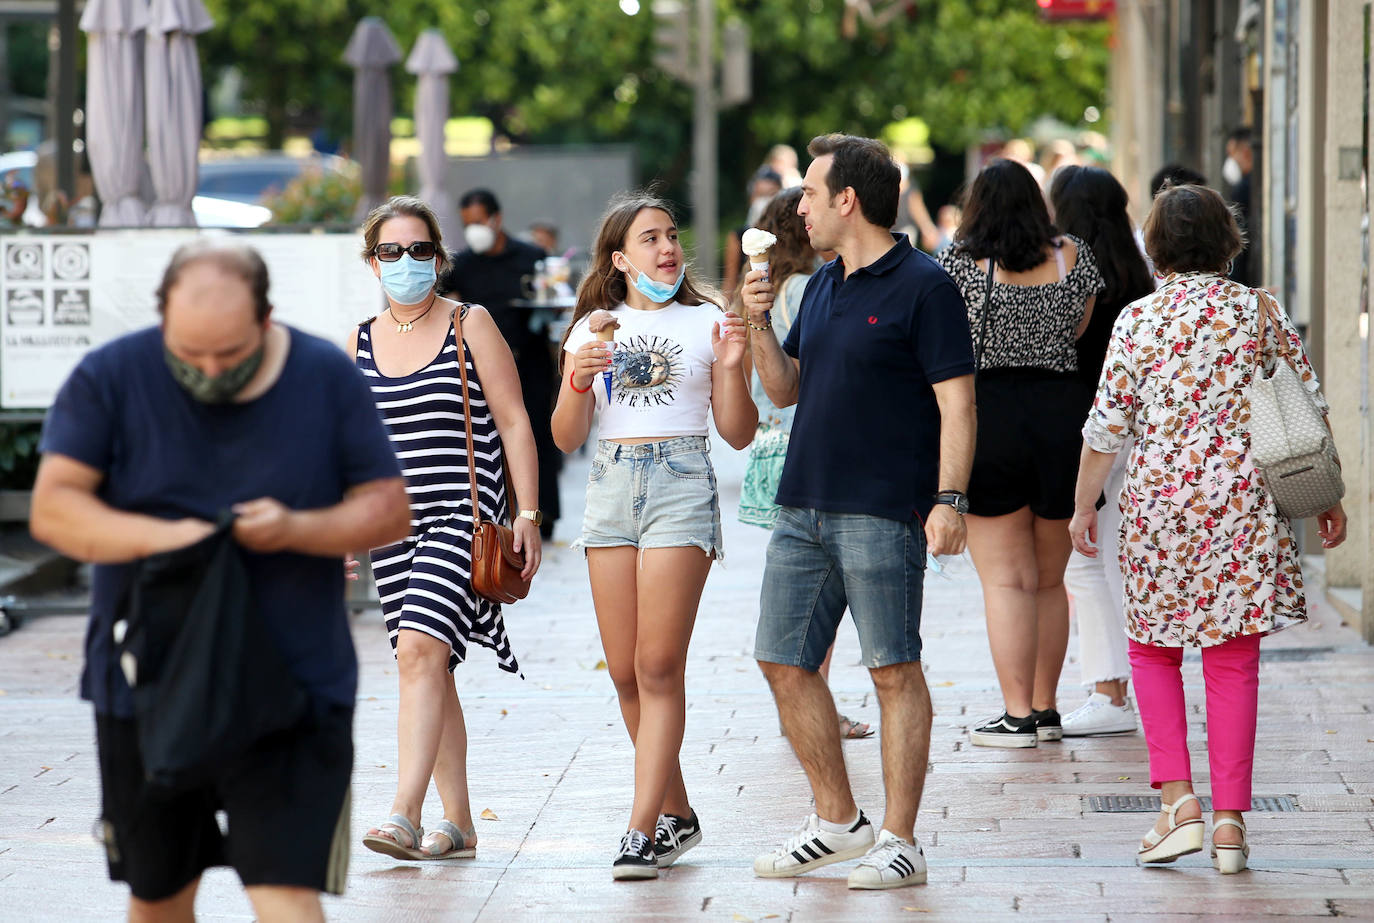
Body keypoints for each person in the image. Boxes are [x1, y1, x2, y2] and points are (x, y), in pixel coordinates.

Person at [28, 241, 412, 921]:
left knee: (286, 891)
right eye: (189, 356)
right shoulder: (109, 376)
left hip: (296, 688)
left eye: (228, 356)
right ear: (162, 318)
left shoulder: (324, 376)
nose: (207, 372)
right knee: (159, 893)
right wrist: (171, 538)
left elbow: (387, 507)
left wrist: (295, 528)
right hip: (146, 683)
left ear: (265, 320)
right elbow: (56, 507)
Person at [1069, 183, 1346, 871]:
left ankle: (1177, 803)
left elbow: (1107, 427)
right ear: (1229, 241)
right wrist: (1328, 494)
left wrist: (1082, 505)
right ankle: (1228, 825)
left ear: (1156, 245)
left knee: (1152, 648)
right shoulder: (1260, 312)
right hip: (1245, 505)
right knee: (1233, 660)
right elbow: (1308, 404)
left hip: (1160, 507)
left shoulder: (1138, 320)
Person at [744, 134, 976, 890]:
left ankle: (902, 838)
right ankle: (839, 820)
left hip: (883, 509)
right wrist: (753, 323)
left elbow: (958, 403)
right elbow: (785, 389)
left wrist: (948, 499)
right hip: (802, 505)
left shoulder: (925, 285)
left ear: (848, 200)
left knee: (892, 669)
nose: (799, 206)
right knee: (782, 658)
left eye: (810, 193)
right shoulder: (820, 284)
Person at [551, 192, 756, 880]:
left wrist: (731, 368)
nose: (667, 248)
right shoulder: (591, 327)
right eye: (649, 238)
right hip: (610, 490)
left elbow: (738, 432)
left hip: (679, 482)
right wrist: (576, 381)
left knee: (658, 665)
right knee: (623, 670)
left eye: (671, 235)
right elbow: (566, 436)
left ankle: (640, 828)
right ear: (619, 257)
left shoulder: (709, 322)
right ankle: (679, 812)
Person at [350, 195, 543, 863]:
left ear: (439, 254)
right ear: (373, 262)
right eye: (392, 251)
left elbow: (515, 421)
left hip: (463, 516)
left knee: (415, 654)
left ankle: (404, 811)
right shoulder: (361, 340)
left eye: (421, 248)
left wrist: (526, 513)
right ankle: (458, 822)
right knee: (430, 662)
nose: (408, 261)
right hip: (390, 528)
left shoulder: (470, 322)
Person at [938, 158, 1104, 748]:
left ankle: (1015, 716)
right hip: (1063, 415)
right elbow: (1081, 328)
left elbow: (945, 335)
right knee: (1050, 581)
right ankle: (1045, 708)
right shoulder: (1074, 254)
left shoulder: (958, 261)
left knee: (1006, 582)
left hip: (990, 416)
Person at [735, 188, 873, 741]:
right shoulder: (804, 288)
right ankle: (816, 699)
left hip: (771, 443)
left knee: (798, 587)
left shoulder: (763, 288)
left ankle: (803, 703)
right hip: (804, 442)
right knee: (820, 593)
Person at [1048, 166, 1156, 737]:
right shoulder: (1140, 274)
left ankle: (1110, 693)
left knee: (1083, 560)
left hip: (1089, 434)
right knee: (1115, 558)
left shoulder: (1067, 268)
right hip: (1141, 434)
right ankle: (1125, 685)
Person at [440, 188, 561, 538]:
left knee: (538, 432)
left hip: (529, 360)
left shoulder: (531, 255)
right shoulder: (461, 264)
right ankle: (495, 512)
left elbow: (550, 296)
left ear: (496, 218)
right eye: (467, 224)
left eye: (478, 222)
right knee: (486, 438)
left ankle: (544, 513)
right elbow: (443, 299)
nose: (474, 229)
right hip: (482, 368)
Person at [722, 166, 784, 297]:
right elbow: (730, 281)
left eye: (771, 194)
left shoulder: (788, 234)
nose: (764, 201)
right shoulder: (738, 236)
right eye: (760, 195)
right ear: (751, 198)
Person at [1222, 128, 1258, 287]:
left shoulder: (1243, 188)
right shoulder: (1245, 185)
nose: (1230, 160)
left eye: (1231, 153)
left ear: (1244, 152)